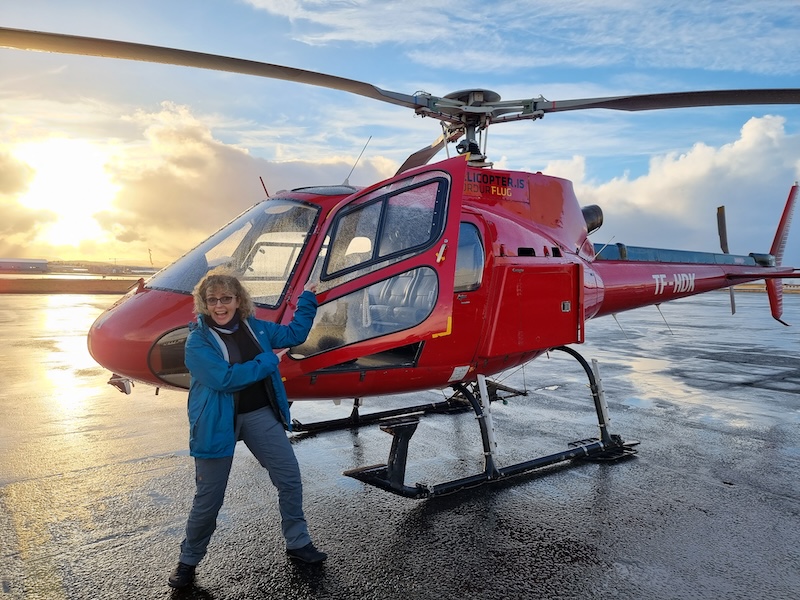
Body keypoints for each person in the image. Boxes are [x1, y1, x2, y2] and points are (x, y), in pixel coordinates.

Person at [168, 267, 326, 589]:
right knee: (209, 499)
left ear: (239, 300)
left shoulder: (255, 328)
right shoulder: (197, 341)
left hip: (258, 415)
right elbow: (225, 380)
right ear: (204, 303)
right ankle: (188, 560)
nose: (220, 306)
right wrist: (268, 361)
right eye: (212, 300)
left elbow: (295, 334)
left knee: (289, 478)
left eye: (226, 298)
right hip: (216, 421)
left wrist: (308, 297)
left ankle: (298, 542)